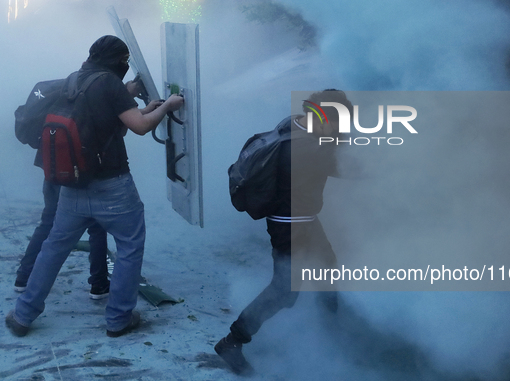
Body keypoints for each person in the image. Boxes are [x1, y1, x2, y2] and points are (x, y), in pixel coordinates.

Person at [5, 35, 184, 338]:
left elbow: (107, 118)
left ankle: (23, 315)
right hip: (112, 186)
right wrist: (166, 107)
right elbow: (139, 127)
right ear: (121, 61)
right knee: (129, 245)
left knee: (54, 247)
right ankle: (117, 320)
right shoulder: (111, 84)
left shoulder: (74, 80)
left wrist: (146, 108)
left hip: (72, 185)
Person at [214, 89, 353, 374]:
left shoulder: (292, 124)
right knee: (284, 292)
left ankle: (335, 332)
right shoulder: (312, 148)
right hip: (291, 224)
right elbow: (353, 169)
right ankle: (232, 341)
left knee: (327, 266)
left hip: (301, 218)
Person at [13, 77, 147, 299]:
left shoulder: (71, 87)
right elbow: (109, 125)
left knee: (49, 222)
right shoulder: (94, 91)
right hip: (78, 171)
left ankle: (24, 277)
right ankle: (99, 283)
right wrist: (128, 95)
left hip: (54, 167)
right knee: (96, 226)